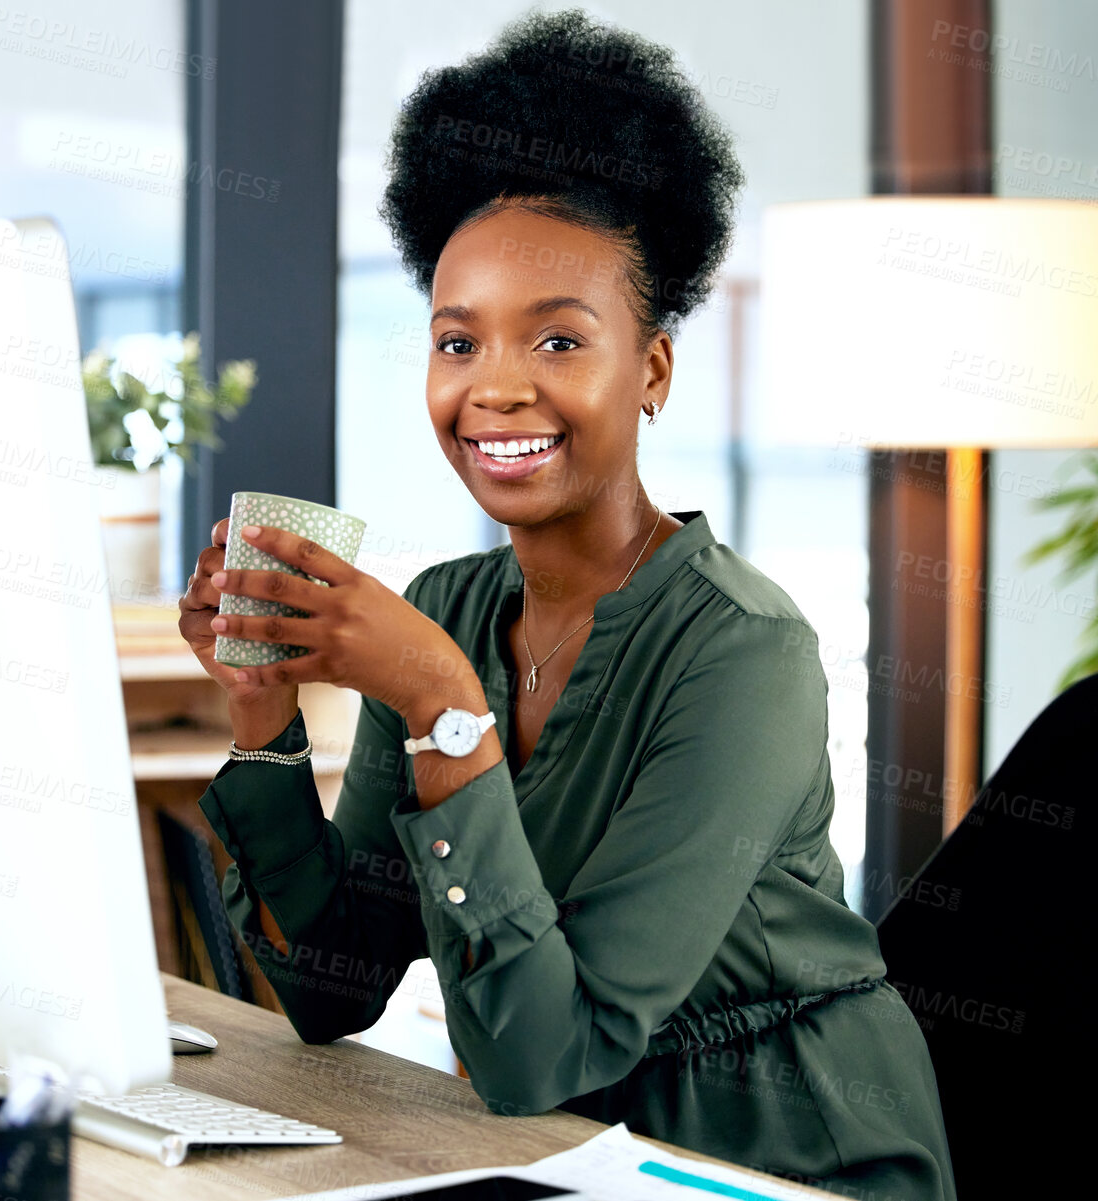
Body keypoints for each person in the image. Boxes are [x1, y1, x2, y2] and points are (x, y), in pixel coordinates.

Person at [177, 10, 956, 1197]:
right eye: (456, 341)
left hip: (774, 1157)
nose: (495, 387)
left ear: (650, 369)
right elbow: (334, 988)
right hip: (550, 1145)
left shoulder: (745, 652)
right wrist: (261, 713)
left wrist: (443, 702)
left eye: (556, 338)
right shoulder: (450, 606)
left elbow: (546, 1051)